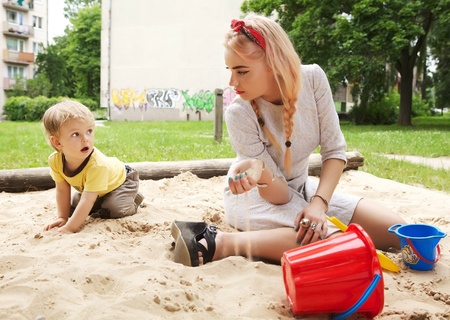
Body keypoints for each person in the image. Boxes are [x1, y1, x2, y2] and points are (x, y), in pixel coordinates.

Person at [171, 15, 406, 267]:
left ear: (273, 63)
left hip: (304, 189)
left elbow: (335, 152)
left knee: (400, 233)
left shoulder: (313, 79)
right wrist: (262, 175)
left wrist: (318, 204)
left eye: (242, 71)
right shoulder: (239, 112)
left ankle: (300, 230)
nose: (232, 82)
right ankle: (223, 242)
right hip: (257, 198)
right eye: (230, 70)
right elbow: (279, 196)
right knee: (333, 245)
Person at [42, 100, 144, 234]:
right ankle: (103, 201)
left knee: (114, 210)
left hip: (122, 182)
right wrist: (63, 217)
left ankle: (135, 198)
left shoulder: (97, 165)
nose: (86, 139)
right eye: (75, 134)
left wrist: (69, 228)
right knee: (74, 207)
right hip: (96, 191)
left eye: (89, 131)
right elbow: (62, 190)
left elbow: (87, 199)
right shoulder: (55, 161)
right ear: (57, 142)